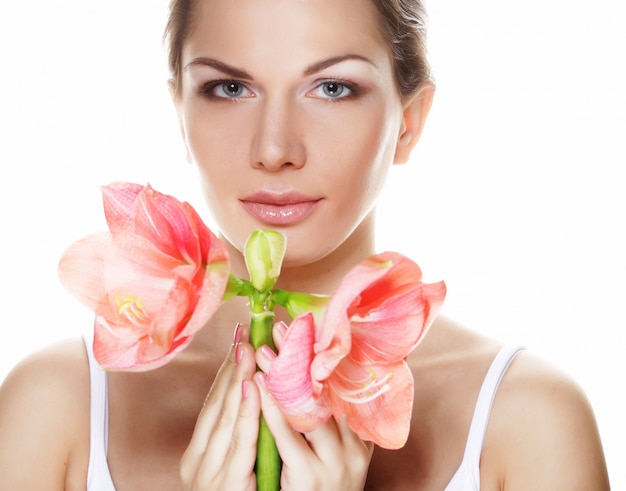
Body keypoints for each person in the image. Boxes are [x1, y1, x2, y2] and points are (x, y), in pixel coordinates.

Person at [0, 0, 610, 489]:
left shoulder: (526, 422)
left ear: (410, 121)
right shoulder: (56, 410)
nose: (274, 147)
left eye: (333, 88)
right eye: (228, 89)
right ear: (180, 113)